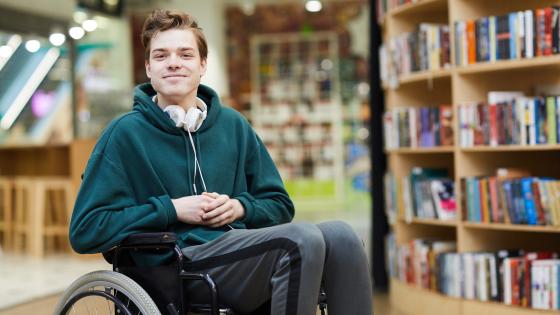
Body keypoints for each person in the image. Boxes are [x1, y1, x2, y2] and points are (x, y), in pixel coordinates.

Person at [69, 9, 373, 315]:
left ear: (202, 65)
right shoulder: (124, 135)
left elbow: (280, 204)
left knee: (342, 237)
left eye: (185, 54)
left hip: (238, 253)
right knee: (300, 239)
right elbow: (86, 230)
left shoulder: (233, 125)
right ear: (148, 68)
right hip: (176, 267)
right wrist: (171, 208)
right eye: (161, 56)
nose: (173, 62)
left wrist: (240, 207)